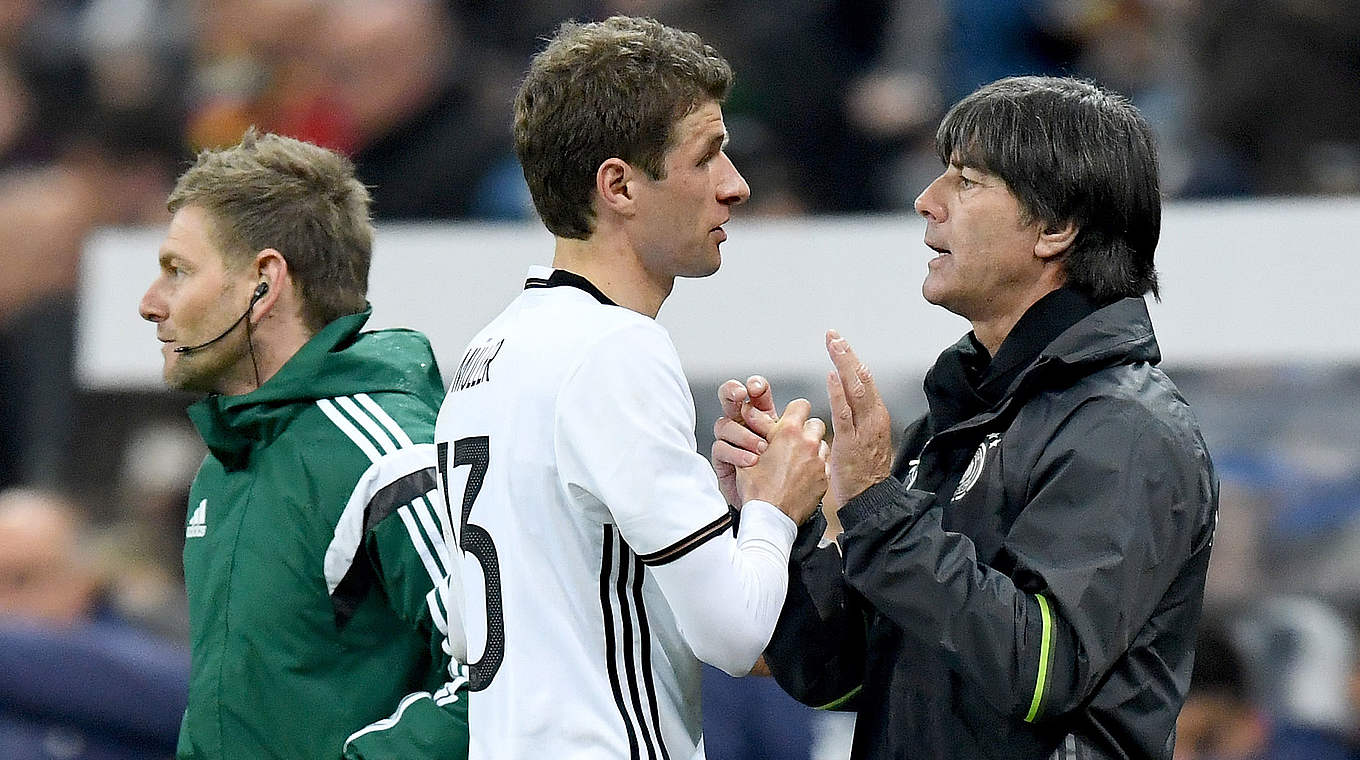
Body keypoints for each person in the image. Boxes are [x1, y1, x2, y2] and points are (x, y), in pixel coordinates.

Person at [713, 76, 1219, 758]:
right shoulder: (959, 417)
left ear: (1056, 227)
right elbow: (836, 675)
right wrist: (781, 516)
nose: (926, 202)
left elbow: (1041, 670)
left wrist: (876, 506)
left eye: (966, 180)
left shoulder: (1127, 428)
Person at [422, 16, 829, 760]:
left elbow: (596, 601)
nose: (735, 187)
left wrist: (729, 514)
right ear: (618, 185)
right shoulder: (613, 350)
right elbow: (734, 635)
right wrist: (778, 503)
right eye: (707, 157)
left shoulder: (494, 350)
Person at [137, 129, 467, 760]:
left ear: (264, 283)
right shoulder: (225, 462)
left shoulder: (388, 455)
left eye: (178, 270)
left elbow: (500, 673)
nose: (151, 303)